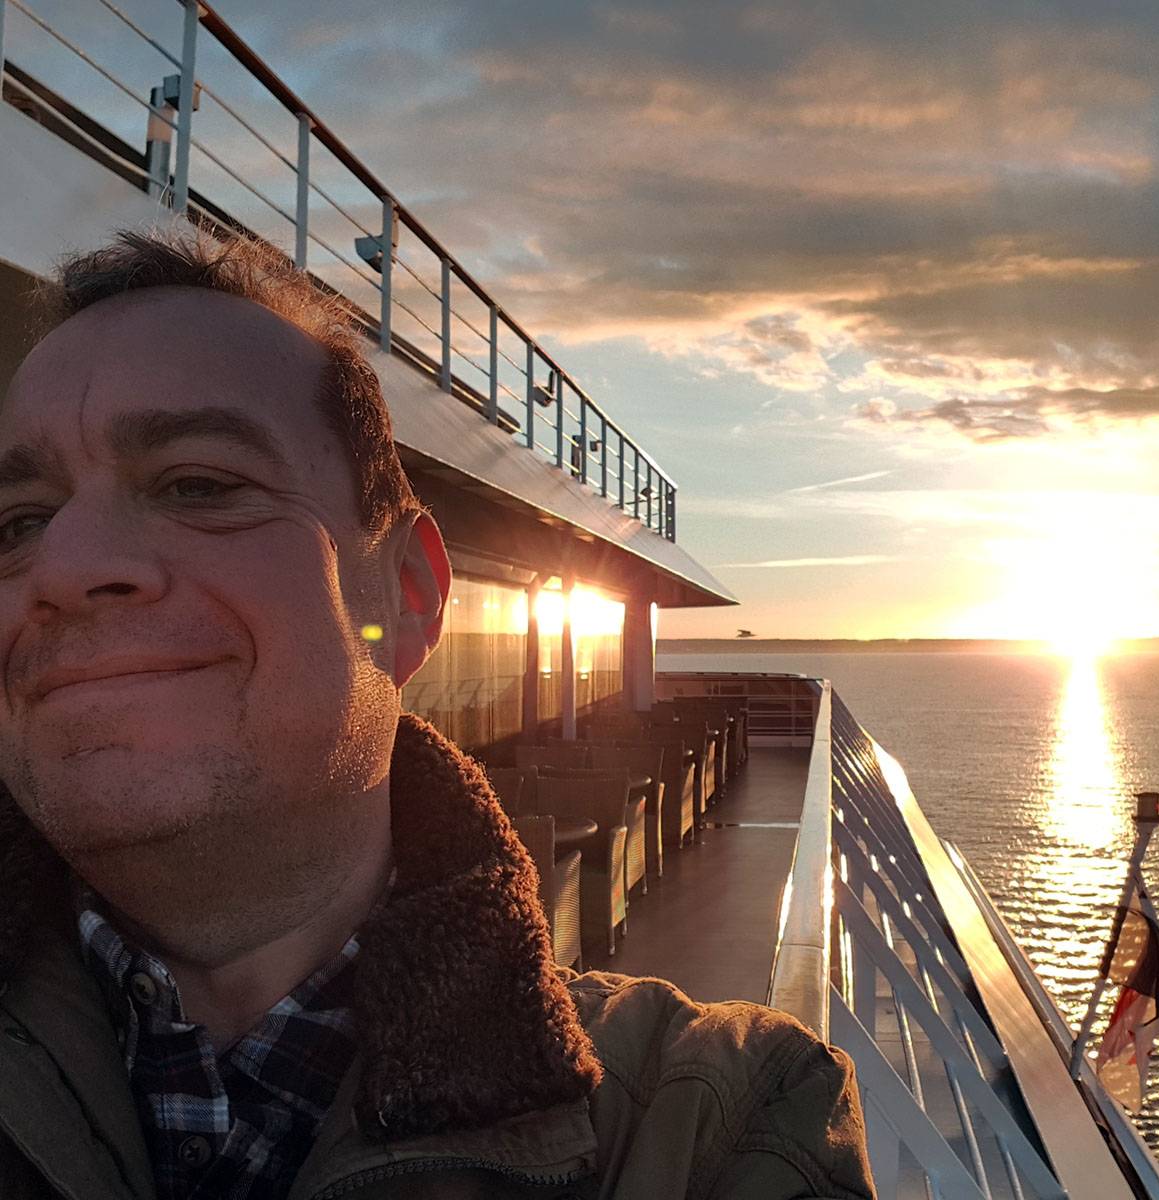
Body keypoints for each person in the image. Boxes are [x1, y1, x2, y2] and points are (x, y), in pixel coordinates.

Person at [0, 224, 875, 1200]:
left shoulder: (718, 1120)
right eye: (19, 521)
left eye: (199, 484)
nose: (62, 567)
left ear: (408, 597)